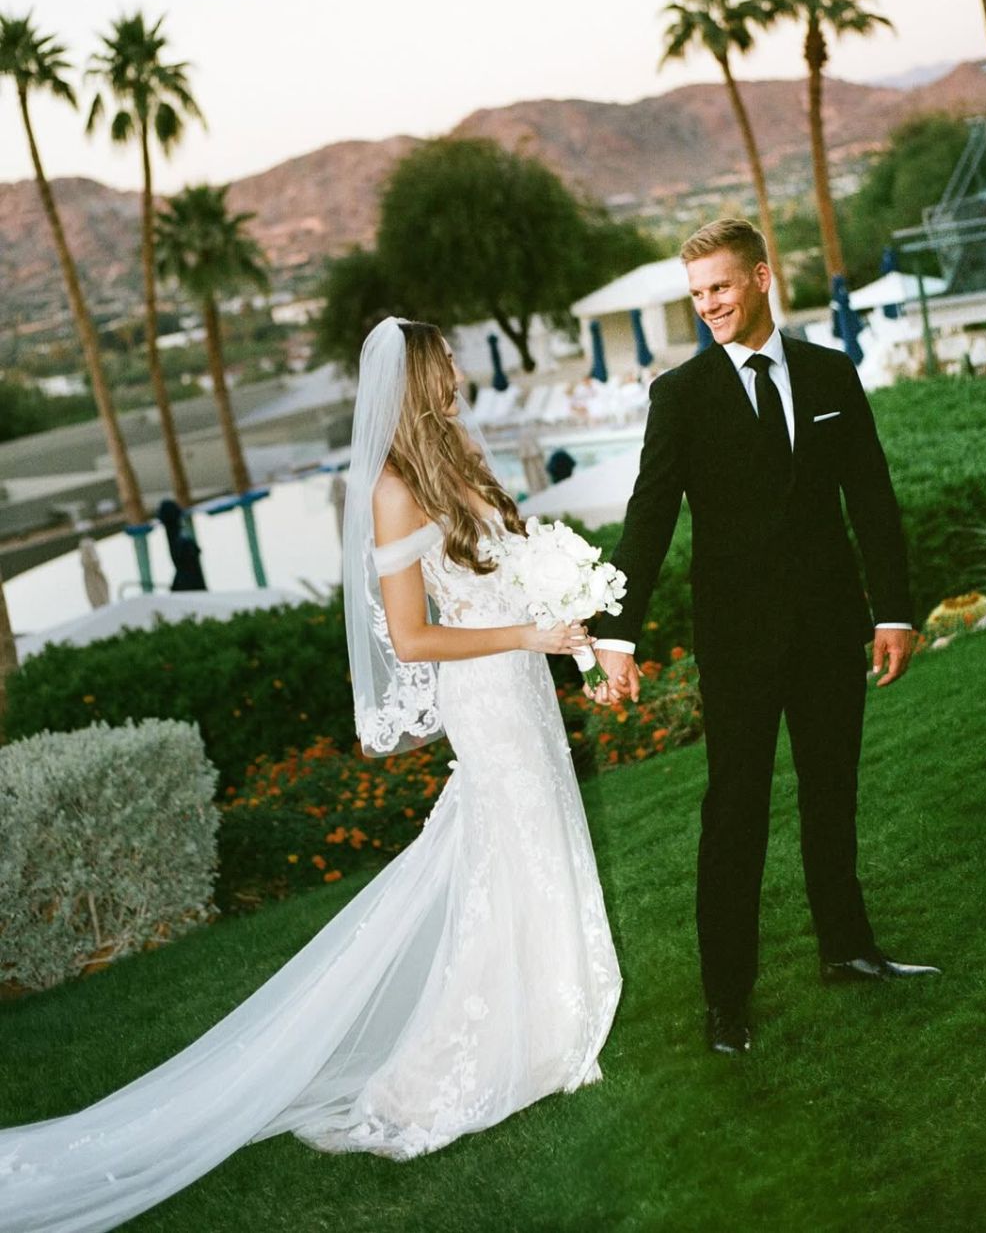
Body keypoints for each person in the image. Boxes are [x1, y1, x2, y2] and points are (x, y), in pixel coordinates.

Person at [0, 318, 620, 1231]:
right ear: (417, 378)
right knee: (514, 845)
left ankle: (550, 1018)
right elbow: (412, 636)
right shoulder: (393, 488)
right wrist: (530, 634)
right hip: (485, 695)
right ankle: (464, 1062)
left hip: (522, 680)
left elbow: (511, 574)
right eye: (446, 361)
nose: (458, 371)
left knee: (529, 841)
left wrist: (575, 635)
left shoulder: (461, 457)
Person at [592, 218, 939, 1057]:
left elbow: (871, 497)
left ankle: (847, 948)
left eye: (720, 286)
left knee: (832, 793)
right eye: (697, 292)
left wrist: (893, 612)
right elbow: (649, 515)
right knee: (735, 812)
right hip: (739, 644)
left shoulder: (830, 372)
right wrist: (616, 635)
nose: (709, 304)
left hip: (830, 628)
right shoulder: (680, 395)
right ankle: (727, 1001)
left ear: (759, 277)